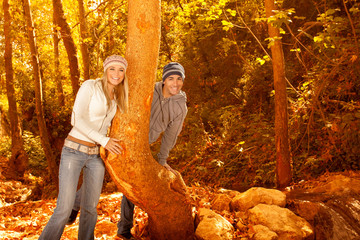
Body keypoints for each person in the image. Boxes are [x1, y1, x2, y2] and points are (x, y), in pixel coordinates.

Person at [68, 62, 187, 240]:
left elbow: (171, 135)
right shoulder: (149, 90)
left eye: (179, 79)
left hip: (143, 145)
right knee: (99, 172)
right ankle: (73, 207)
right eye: (171, 78)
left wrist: (162, 160)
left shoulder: (180, 107)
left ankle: (123, 229)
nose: (175, 83)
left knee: (133, 184)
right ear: (164, 80)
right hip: (123, 137)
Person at [38, 55, 128, 240]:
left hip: (96, 157)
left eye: (121, 70)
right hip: (73, 151)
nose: (116, 73)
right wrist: (104, 140)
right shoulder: (90, 86)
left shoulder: (119, 96)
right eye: (112, 68)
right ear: (105, 70)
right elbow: (76, 119)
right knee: (64, 209)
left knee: (90, 209)